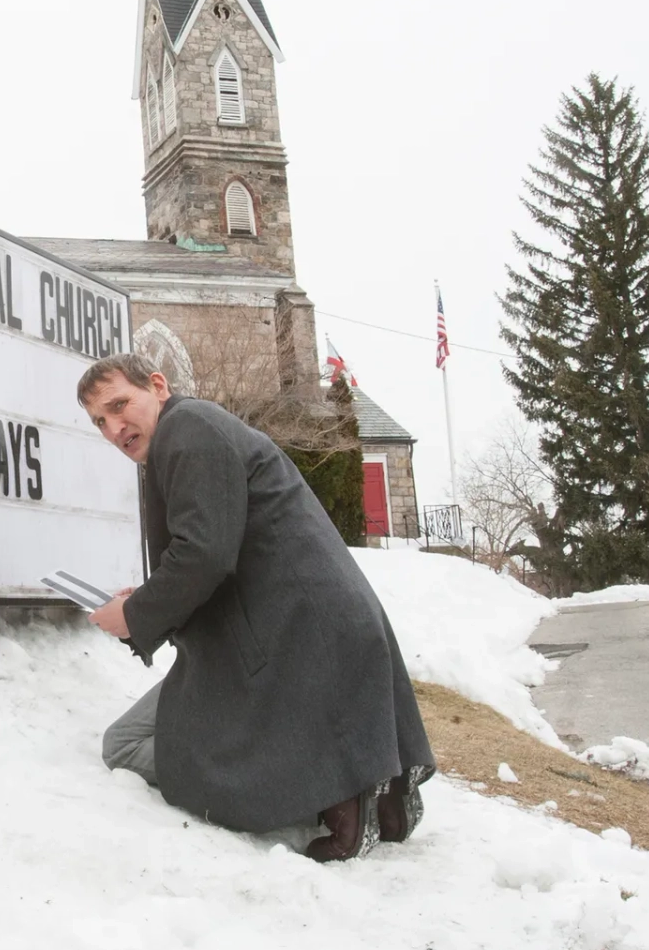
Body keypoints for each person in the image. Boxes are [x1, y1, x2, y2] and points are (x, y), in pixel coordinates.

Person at [79, 353, 434, 862]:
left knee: (124, 746)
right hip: (303, 633)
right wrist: (146, 602)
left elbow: (204, 554)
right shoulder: (193, 430)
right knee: (130, 739)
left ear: (157, 385)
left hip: (294, 642)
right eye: (99, 422)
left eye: (119, 406)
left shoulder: (188, 427)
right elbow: (214, 549)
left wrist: (134, 619)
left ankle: (333, 790)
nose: (114, 428)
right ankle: (349, 783)